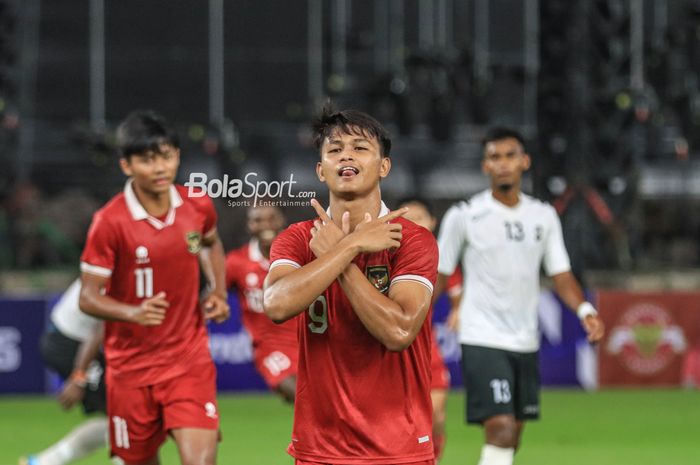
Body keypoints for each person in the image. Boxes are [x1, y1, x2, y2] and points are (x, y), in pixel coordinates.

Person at [263, 106, 438, 465]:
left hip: (398, 448)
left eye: (360, 147)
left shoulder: (413, 240)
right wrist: (351, 247)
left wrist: (341, 253)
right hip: (319, 450)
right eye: (334, 149)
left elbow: (399, 330)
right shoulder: (296, 239)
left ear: (384, 166)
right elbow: (276, 305)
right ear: (320, 170)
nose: (346, 154)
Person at [435, 127, 605, 465]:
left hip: (525, 340)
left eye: (510, 156)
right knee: (500, 428)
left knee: (512, 436)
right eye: (494, 157)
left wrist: (584, 308)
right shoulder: (464, 216)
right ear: (485, 166)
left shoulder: (543, 216)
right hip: (481, 335)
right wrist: (409, 315)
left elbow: (561, 276)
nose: (503, 164)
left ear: (524, 161)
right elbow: (438, 274)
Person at [78, 110, 230, 465]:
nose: (160, 167)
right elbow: (88, 297)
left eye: (167, 155)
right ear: (127, 165)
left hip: (187, 359)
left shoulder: (196, 204)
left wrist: (218, 291)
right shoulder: (109, 222)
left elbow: (208, 244)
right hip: (130, 369)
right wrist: (133, 312)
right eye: (147, 160)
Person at [398, 197, 463, 464]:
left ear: (432, 222)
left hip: (426, 349)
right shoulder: (384, 256)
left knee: (436, 417)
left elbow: (457, 293)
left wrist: (459, 309)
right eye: (407, 219)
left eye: (420, 218)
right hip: (392, 350)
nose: (414, 224)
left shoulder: (441, 259)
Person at [20, 278, 109, 465]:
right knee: (125, 416)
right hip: (69, 345)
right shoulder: (120, 265)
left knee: (124, 416)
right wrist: (79, 376)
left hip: (66, 338)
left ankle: (42, 462)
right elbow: (100, 328)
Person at [225, 205, 298, 402]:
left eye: (271, 218)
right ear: (249, 225)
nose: (265, 224)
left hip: (309, 342)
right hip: (269, 346)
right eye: (258, 220)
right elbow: (214, 295)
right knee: (300, 396)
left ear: (281, 220)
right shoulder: (236, 262)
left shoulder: (301, 253)